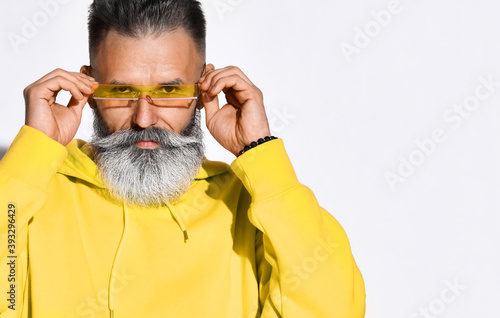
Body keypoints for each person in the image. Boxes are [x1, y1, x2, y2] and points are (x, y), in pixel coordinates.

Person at [0, 0, 365, 317]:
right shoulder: (29, 196)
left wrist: (260, 151)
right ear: (89, 89)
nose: (144, 118)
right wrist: (33, 150)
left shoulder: (247, 208)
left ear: (205, 88)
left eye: (170, 90)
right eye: (122, 90)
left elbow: (333, 309)